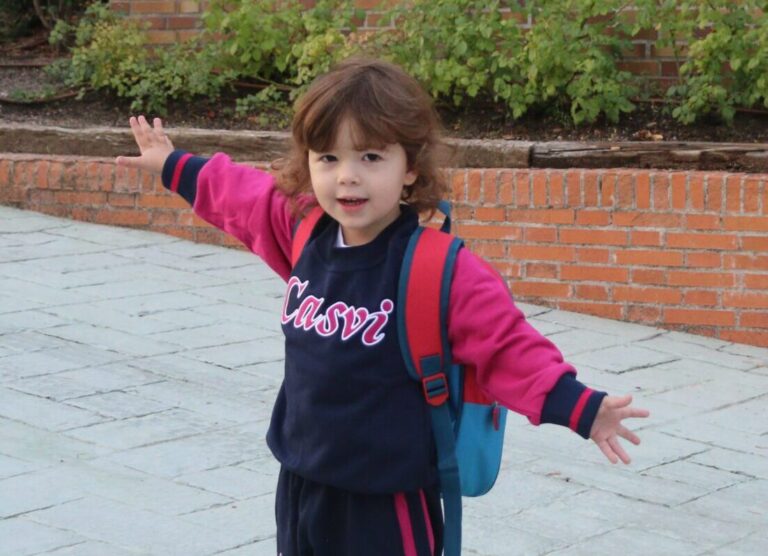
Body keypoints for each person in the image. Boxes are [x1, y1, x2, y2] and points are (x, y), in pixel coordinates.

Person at [116, 57, 649, 556]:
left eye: (370, 157)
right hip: (302, 480)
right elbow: (241, 195)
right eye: (329, 157)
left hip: (388, 500)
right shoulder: (306, 233)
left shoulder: (440, 270)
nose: (347, 175)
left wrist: (582, 408)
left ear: (410, 168)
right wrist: (171, 164)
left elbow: (507, 348)